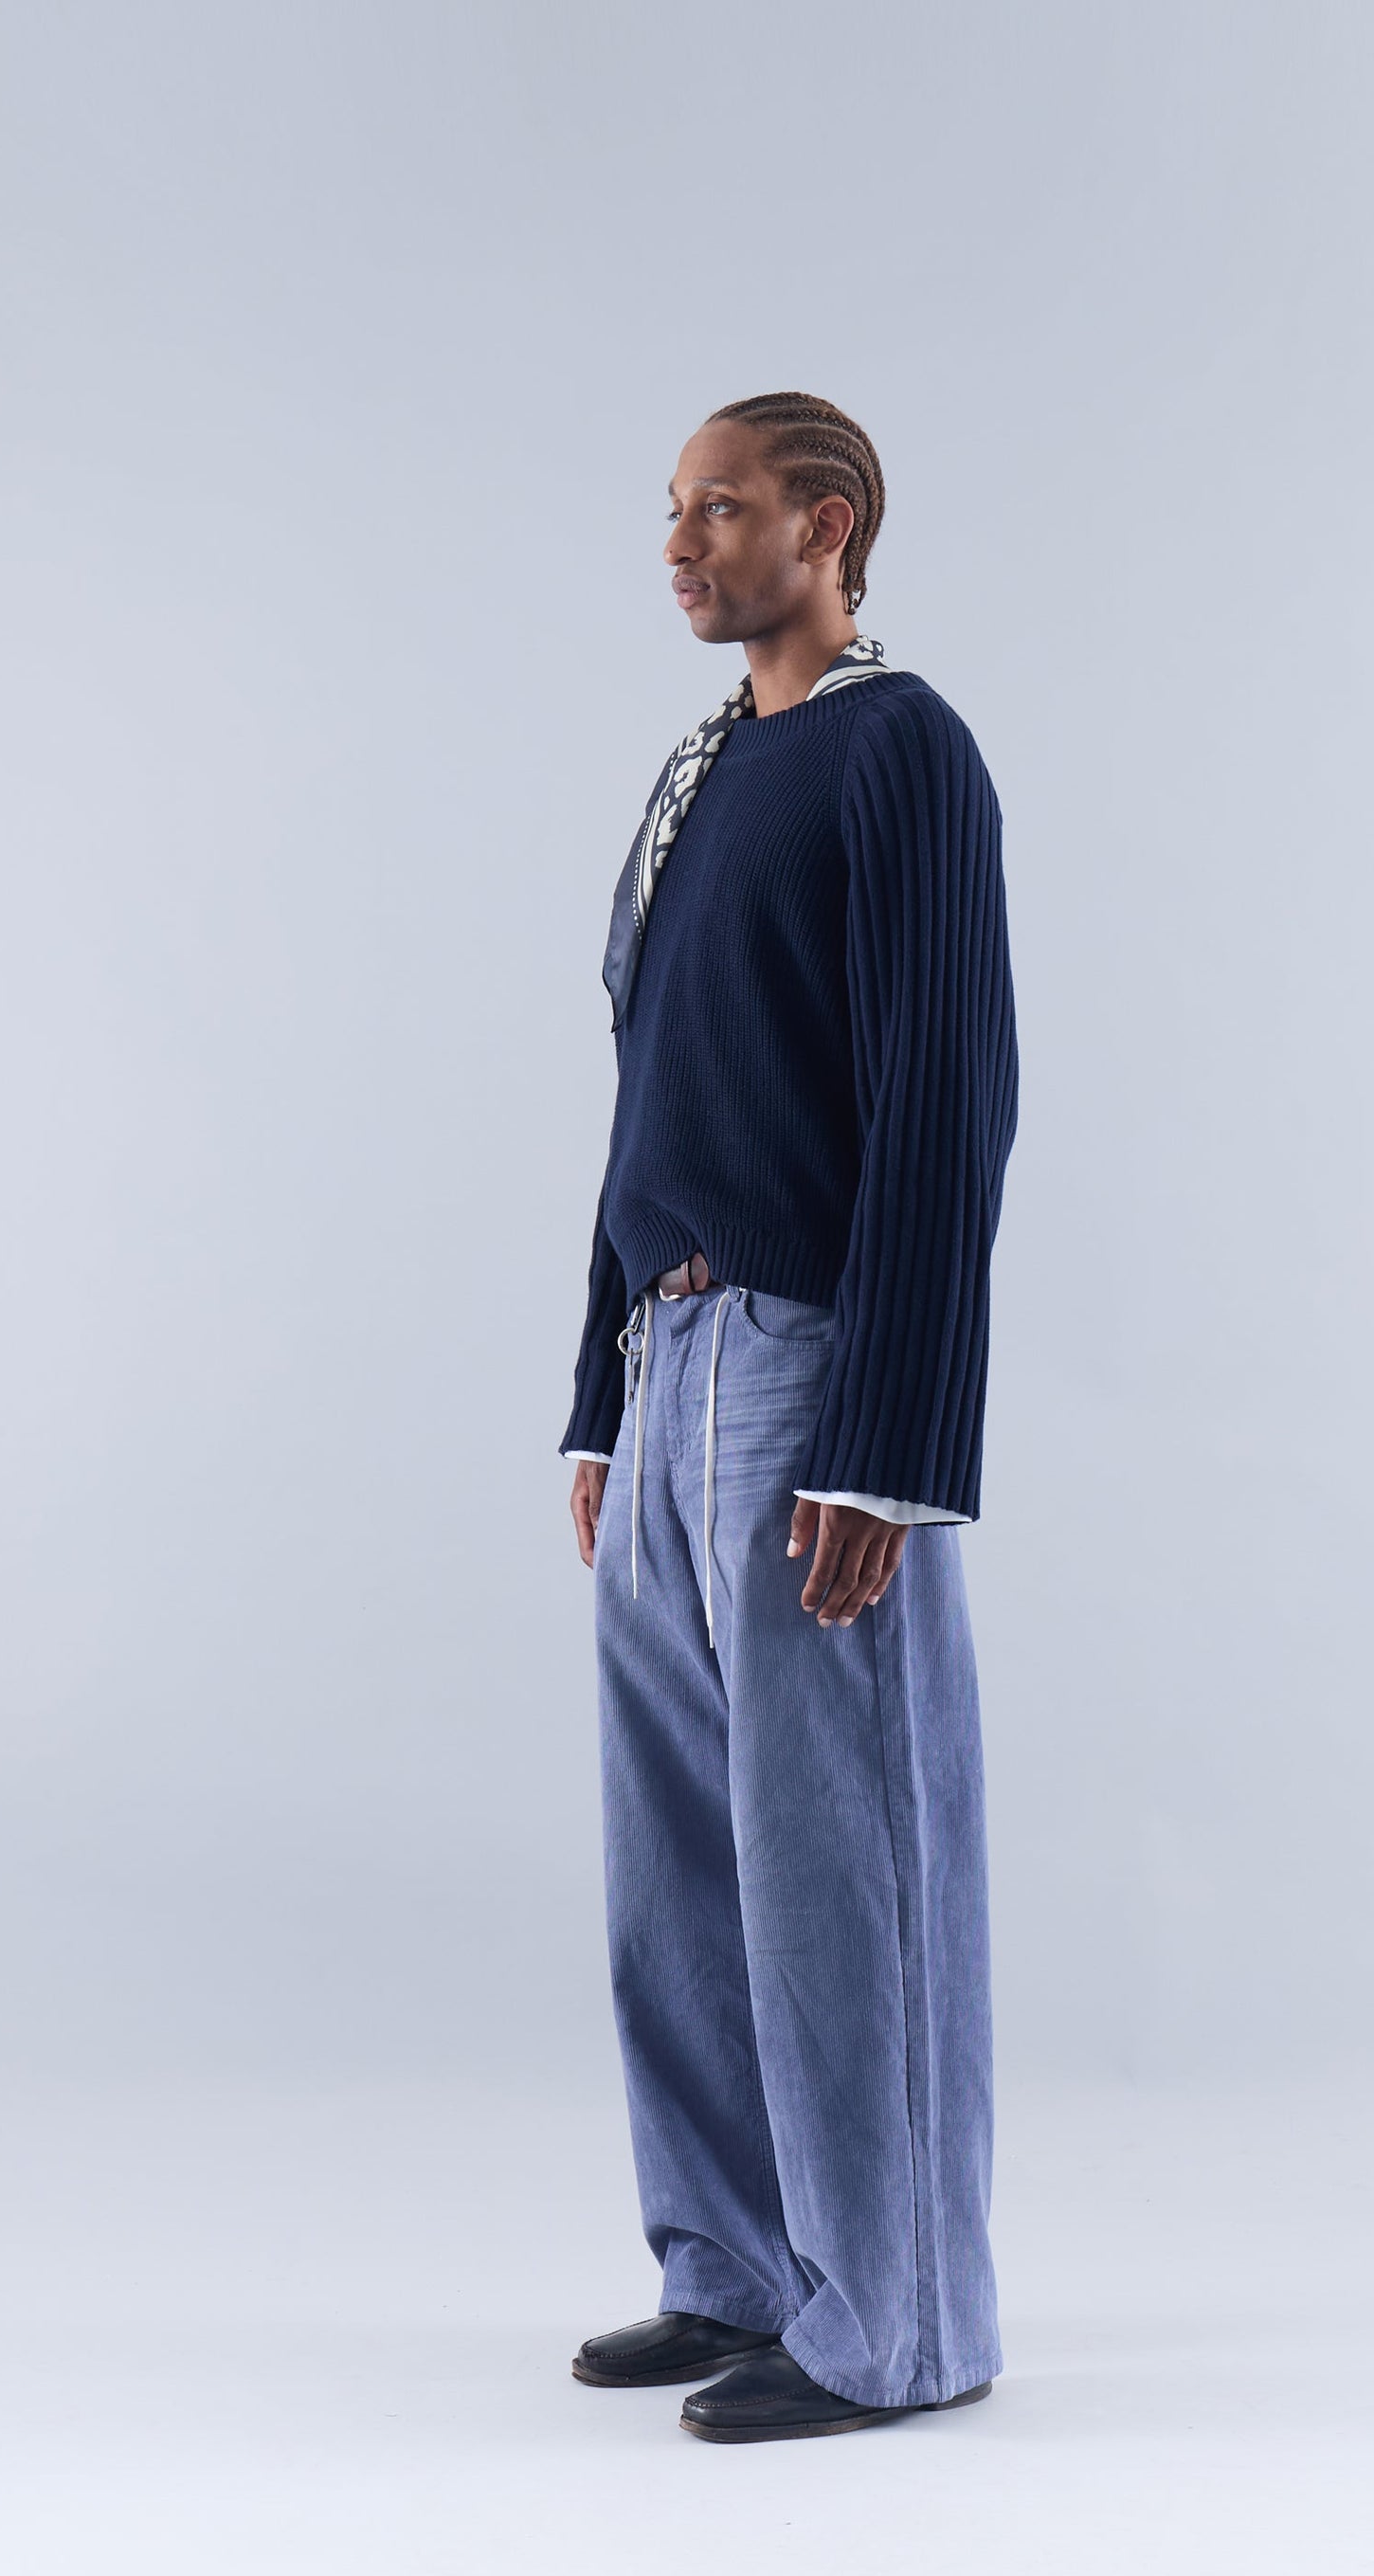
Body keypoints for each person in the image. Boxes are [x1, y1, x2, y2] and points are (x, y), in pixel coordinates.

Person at [560, 390, 1018, 2445]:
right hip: (670, 1363)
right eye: (674, 512)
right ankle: (736, 2269)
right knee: (676, 1861)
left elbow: (944, 1100)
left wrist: (891, 1445)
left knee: (841, 1850)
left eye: (720, 509)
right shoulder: (697, 771)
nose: (680, 544)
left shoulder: (899, 750)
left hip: (806, 1364)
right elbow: (646, 1094)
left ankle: (893, 2321)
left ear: (824, 528)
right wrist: (595, 1395)